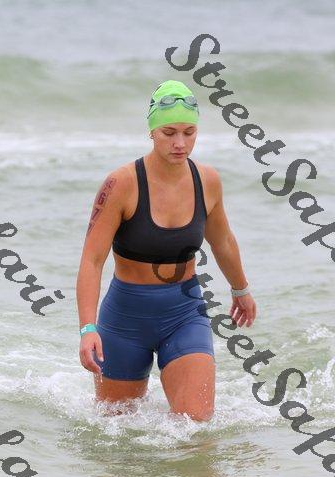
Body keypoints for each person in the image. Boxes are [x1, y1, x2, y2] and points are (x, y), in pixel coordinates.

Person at [76, 79, 256, 421]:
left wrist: (240, 289)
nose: (180, 143)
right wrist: (88, 329)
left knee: (195, 427)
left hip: (184, 313)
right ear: (152, 132)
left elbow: (222, 241)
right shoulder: (121, 184)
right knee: (117, 435)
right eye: (169, 132)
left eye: (189, 132)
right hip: (125, 320)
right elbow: (92, 260)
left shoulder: (207, 181)